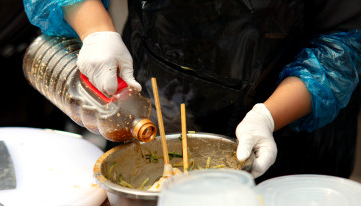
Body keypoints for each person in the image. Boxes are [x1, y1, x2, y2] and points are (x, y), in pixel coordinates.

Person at [23, 0, 361, 181]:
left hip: (286, 131)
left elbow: (341, 48)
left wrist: (268, 117)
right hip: (151, 91)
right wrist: (97, 32)